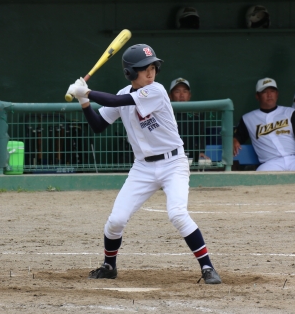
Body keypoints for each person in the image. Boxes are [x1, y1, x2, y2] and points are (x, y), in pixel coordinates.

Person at [66, 44, 222, 284]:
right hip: (143, 167)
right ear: (129, 73)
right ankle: (109, 266)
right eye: (143, 68)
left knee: (178, 214)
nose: (150, 72)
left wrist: (86, 91)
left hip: (173, 163)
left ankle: (208, 268)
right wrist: (84, 101)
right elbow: (98, 125)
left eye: (153, 67)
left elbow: (117, 100)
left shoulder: (156, 90)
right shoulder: (123, 93)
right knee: (116, 220)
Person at [234, 78, 295, 172]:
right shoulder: (247, 118)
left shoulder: (289, 112)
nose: (269, 95)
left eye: (272, 91)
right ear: (257, 96)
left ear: (277, 94)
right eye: (264, 92)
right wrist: (235, 139)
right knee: (259, 177)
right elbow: (238, 136)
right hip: (270, 163)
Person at [169, 78, 208, 162]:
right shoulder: (165, 116)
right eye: (177, 91)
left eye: (185, 91)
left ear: (189, 95)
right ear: (170, 96)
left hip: (191, 158)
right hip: (170, 157)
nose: (181, 95)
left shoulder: (196, 116)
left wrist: (201, 152)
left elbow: (201, 136)